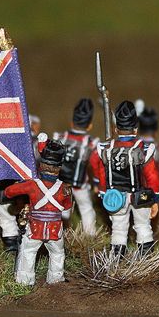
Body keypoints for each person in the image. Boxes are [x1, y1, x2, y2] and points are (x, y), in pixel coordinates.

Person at [95, 101, 159, 256]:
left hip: (115, 197)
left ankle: (116, 258)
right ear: (136, 129)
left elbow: (102, 175)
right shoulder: (144, 149)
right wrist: (155, 198)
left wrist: (104, 194)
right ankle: (146, 258)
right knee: (143, 226)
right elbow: (152, 176)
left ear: (116, 129)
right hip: (140, 197)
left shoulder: (106, 149)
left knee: (118, 228)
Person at [5, 138, 73, 285]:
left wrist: (20, 183)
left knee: (28, 252)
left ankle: (25, 281)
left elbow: (8, 192)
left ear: (41, 165)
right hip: (55, 229)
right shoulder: (65, 188)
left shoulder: (32, 185)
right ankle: (56, 280)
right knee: (57, 253)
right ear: (59, 167)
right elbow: (67, 209)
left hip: (35, 227)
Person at [54, 98, 100, 235]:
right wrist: (97, 182)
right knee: (86, 208)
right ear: (89, 126)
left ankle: (60, 232)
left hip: (61, 182)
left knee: (62, 207)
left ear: (72, 122)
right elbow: (95, 164)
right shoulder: (90, 143)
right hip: (80, 184)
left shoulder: (60, 137)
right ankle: (90, 235)